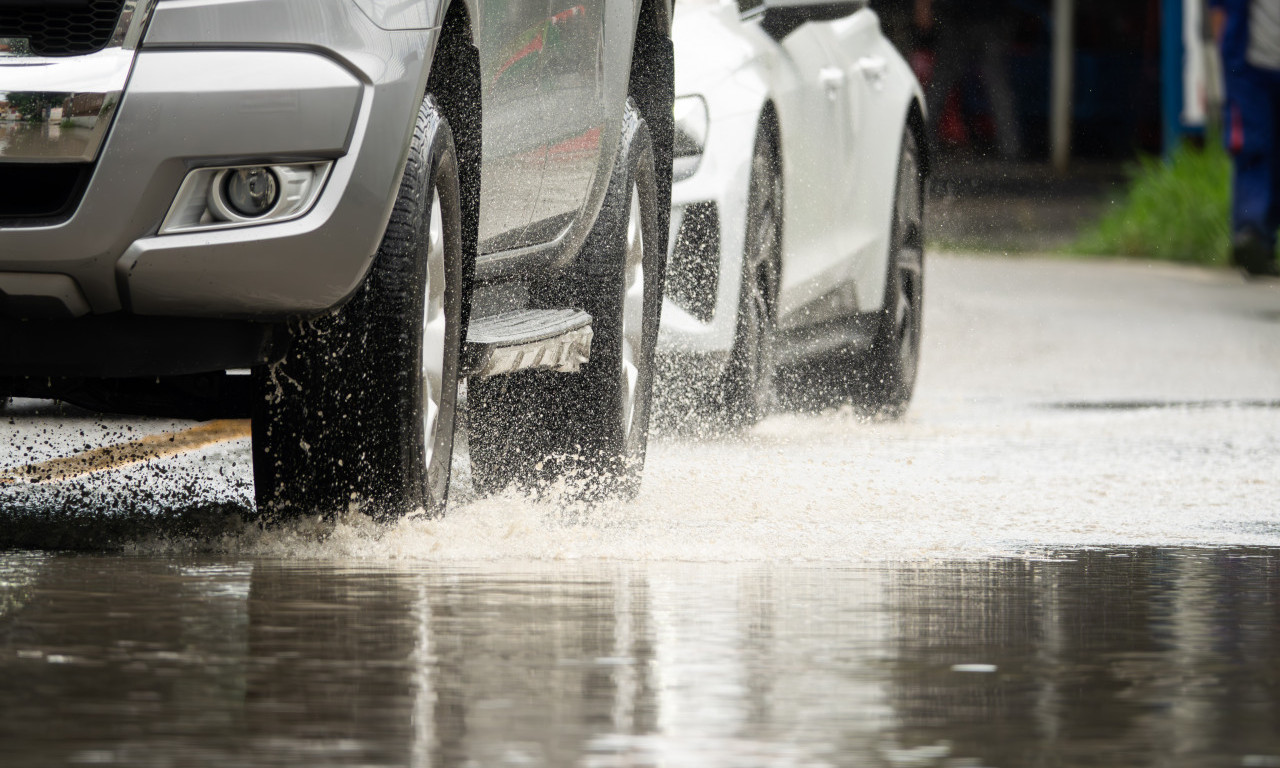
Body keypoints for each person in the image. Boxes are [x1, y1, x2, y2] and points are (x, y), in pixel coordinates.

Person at [1211, 0, 1280, 277]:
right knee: (1253, 148)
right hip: (1249, 70)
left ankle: (1260, 241)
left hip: (1248, 67)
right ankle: (1253, 236)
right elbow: (1220, 11)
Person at [914, 0, 1023, 161]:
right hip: (966, 18)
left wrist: (923, 9)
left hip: (977, 18)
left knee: (943, 84)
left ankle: (923, 143)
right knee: (943, 84)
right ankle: (1010, 146)